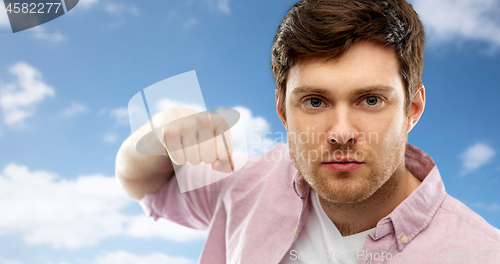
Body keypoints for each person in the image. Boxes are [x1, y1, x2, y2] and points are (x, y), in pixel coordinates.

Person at [115, 0, 500, 263]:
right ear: (283, 111)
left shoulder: (483, 253)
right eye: (315, 101)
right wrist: (161, 129)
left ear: (412, 109)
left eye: (370, 100)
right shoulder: (247, 185)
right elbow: (141, 182)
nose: (341, 132)